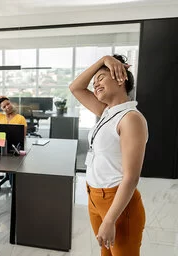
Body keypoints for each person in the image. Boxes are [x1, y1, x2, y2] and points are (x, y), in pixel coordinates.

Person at [69, 55, 147, 256]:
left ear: (120, 78)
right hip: (94, 196)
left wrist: (110, 219)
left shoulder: (130, 119)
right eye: (94, 82)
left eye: (101, 78)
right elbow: (75, 87)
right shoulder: (107, 111)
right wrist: (104, 60)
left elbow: (131, 177)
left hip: (118, 203)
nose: (95, 85)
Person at [0, 96, 27, 191]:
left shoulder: (20, 118)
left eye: (8, 104)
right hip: (1, 143)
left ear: (11, 103)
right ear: (1, 109)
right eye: (4, 106)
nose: (7, 107)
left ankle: (12, 185)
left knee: (13, 164)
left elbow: (23, 136)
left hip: (14, 146)